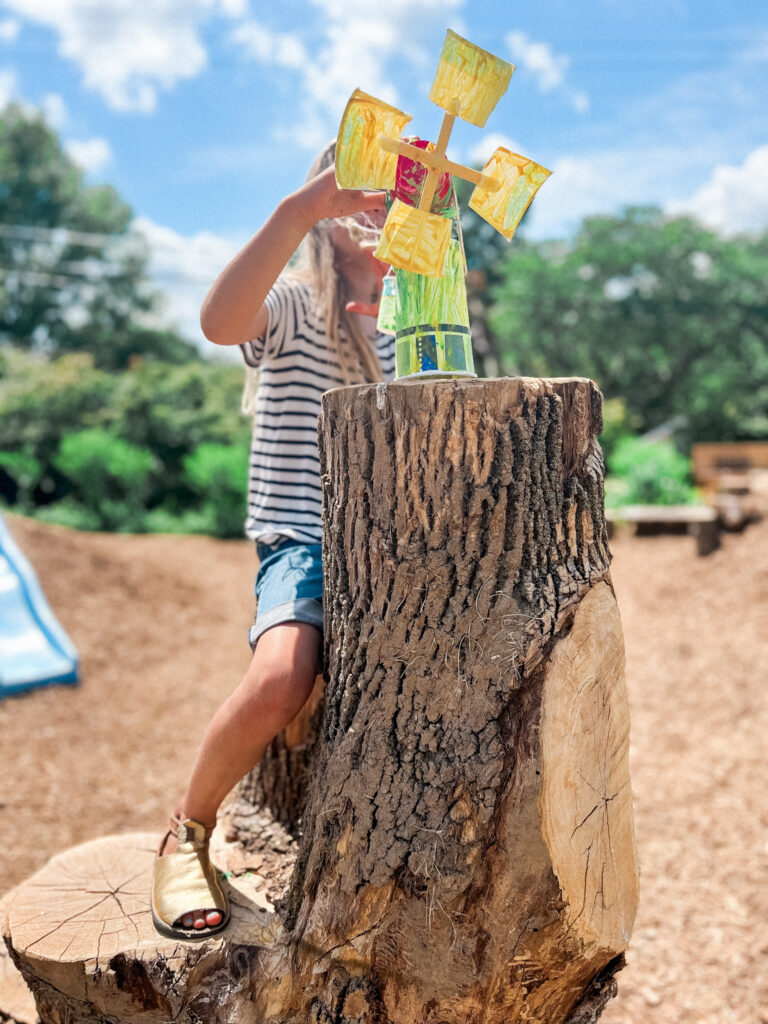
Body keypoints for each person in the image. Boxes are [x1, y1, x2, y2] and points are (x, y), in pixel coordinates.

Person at [151, 141, 394, 940]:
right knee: (282, 678)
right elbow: (219, 323)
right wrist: (297, 212)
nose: (379, 202)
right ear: (331, 204)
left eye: (401, 188)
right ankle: (187, 830)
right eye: (361, 185)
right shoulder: (291, 304)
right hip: (307, 538)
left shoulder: (420, 323)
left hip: (400, 552)